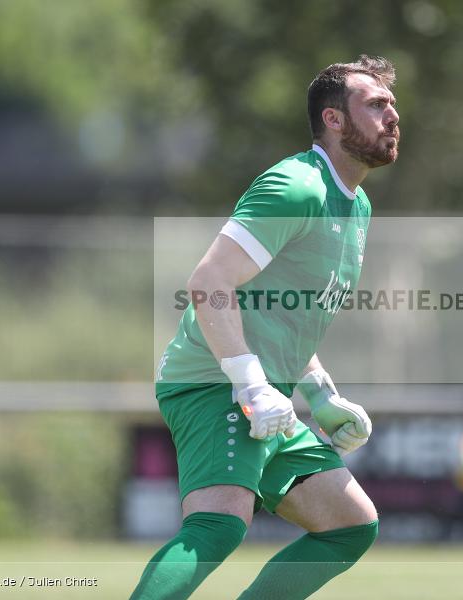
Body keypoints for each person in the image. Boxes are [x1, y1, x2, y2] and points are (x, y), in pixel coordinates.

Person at [131, 55, 400, 600]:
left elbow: (283, 314)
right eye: (376, 104)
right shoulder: (296, 186)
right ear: (333, 119)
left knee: (350, 525)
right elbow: (209, 281)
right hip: (213, 381)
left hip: (258, 390)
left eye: (392, 104)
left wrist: (320, 396)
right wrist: (250, 383)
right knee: (218, 525)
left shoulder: (358, 206)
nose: (392, 115)